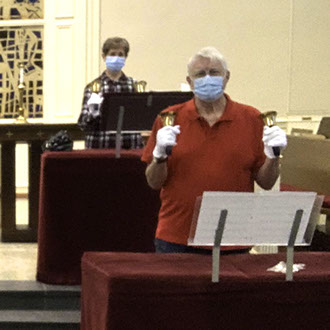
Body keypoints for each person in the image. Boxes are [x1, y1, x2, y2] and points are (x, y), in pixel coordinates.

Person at [141, 46, 287, 254]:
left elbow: (267, 182)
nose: (207, 78)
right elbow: (154, 182)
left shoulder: (252, 119)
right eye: (200, 74)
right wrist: (160, 157)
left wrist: (273, 157)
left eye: (214, 73)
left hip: (233, 238)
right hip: (177, 237)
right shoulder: (169, 119)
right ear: (190, 81)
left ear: (226, 77)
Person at [78, 37, 143, 149]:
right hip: (100, 148)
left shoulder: (134, 86)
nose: (116, 58)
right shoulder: (92, 88)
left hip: (129, 148)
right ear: (104, 56)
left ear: (125, 57)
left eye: (120, 54)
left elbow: (141, 120)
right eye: (112, 54)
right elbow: (83, 125)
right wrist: (92, 114)